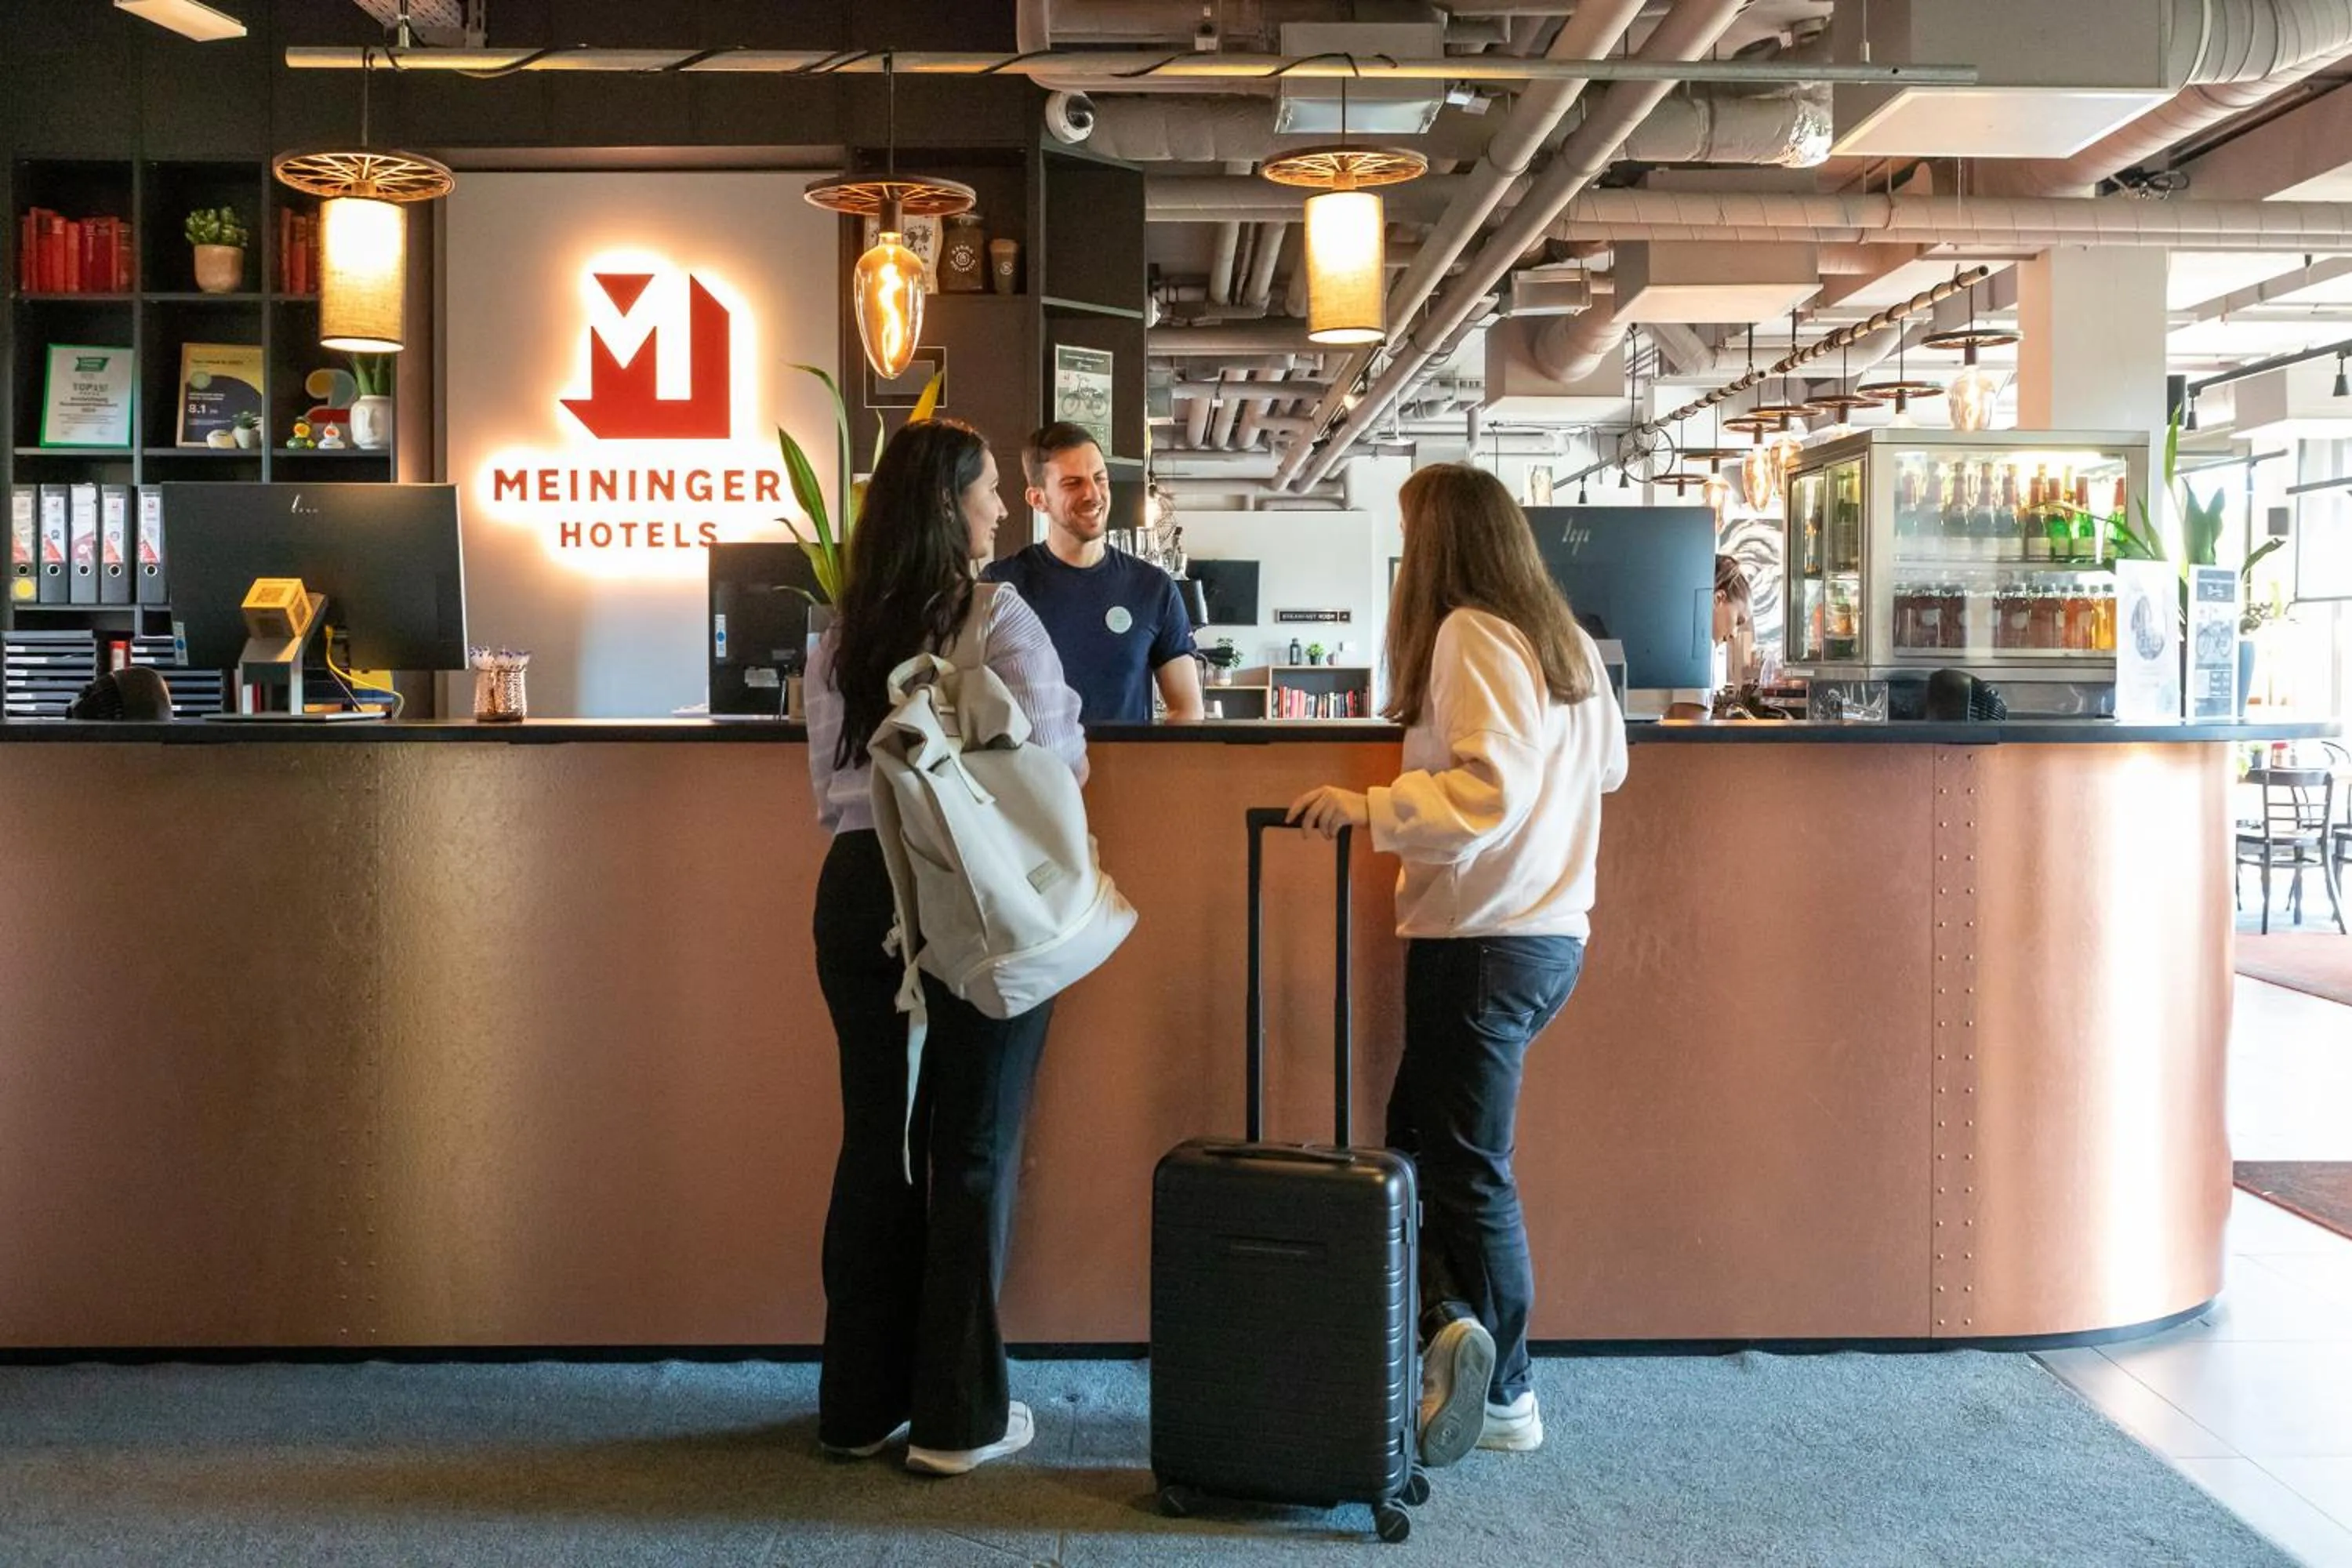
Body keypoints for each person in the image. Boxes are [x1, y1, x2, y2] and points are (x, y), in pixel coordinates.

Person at [1288, 463, 1628, 1469]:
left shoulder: (1471, 633)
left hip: (1484, 937)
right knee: (1421, 1144)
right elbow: (1605, 766)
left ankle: (1507, 1386)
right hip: (1545, 935)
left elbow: (1492, 789)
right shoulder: (1559, 637)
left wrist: (1372, 806)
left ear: (1438, 541)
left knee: (1469, 1169)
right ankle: (1453, 1337)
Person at [804, 416, 1088, 1477]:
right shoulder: (1000, 615)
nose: (1002, 508)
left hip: (854, 888)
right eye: (986, 490)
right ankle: (956, 1422)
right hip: (967, 895)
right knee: (969, 1143)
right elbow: (1058, 767)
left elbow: (824, 789)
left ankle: (854, 1405)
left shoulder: (837, 633)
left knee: (875, 1138)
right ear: (947, 505)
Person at [982, 422, 1205, 725]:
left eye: (1100, 479)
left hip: (1125, 771)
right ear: (1038, 499)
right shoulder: (1000, 585)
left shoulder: (1153, 587)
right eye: (1072, 483)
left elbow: (1187, 709)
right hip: (1031, 772)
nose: (1093, 494)